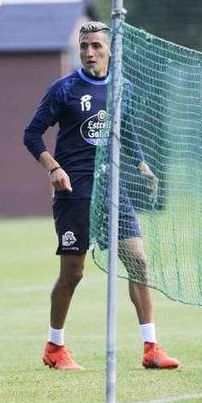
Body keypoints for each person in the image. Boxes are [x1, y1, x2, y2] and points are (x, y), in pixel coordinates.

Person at [23, 21, 179, 370]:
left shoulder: (123, 87)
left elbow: (125, 130)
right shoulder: (63, 90)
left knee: (138, 259)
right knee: (73, 273)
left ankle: (151, 347)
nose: (89, 52)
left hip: (113, 189)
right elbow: (31, 135)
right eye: (84, 46)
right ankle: (55, 347)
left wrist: (141, 163)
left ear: (110, 49)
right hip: (74, 192)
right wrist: (53, 168)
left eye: (95, 45)